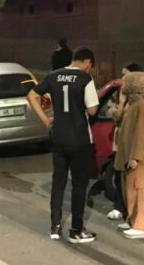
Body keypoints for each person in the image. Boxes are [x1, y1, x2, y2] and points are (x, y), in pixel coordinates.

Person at [28, 47, 99, 244]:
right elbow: (93, 110)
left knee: (58, 182)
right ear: (87, 62)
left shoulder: (54, 76)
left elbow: (32, 96)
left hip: (59, 137)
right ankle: (76, 230)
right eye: (90, 66)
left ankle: (55, 226)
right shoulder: (85, 79)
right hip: (80, 140)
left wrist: (46, 120)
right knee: (79, 185)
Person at [113, 72, 144, 239]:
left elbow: (142, 133)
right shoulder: (134, 103)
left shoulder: (142, 105)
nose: (123, 85)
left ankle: (140, 226)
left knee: (137, 190)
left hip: (136, 157)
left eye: (126, 82)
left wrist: (135, 158)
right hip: (129, 155)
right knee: (130, 190)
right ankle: (132, 221)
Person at [106, 63, 144, 221]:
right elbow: (117, 120)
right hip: (121, 143)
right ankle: (120, 207)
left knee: (134, 179)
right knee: (119, 175)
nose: (123, 79)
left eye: (126, 76)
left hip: (133, 143)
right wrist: (121, 103)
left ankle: (135, 215)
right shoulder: (122, 95)